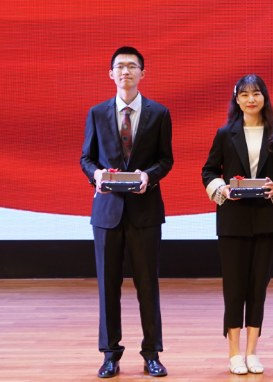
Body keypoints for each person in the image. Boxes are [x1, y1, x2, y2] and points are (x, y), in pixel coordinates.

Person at [79, 46, 174, 378]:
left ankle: (152, 354)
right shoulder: (96, 113)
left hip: (145, 211)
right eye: (120, 66)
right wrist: (96, 175)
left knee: (148, 285)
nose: (126, 71)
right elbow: (86, 158)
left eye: (132, 66)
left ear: (142, 74)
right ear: (111, 74)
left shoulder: (159, 113)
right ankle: (110, 354)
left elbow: (166, 159)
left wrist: (150, 175)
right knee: (108, 286)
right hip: (107, 213)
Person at [200, 74, 273, 375]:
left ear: (265, 97)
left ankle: (252, 352)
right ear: (237, 99)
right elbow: (208, 171)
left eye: (256, 93)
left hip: (268, 221)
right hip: (233, 221)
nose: (251, 99)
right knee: (234, 287)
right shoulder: (224, 133)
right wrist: (222, 189)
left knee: (258, 287)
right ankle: (234, 354)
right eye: (244, 94)